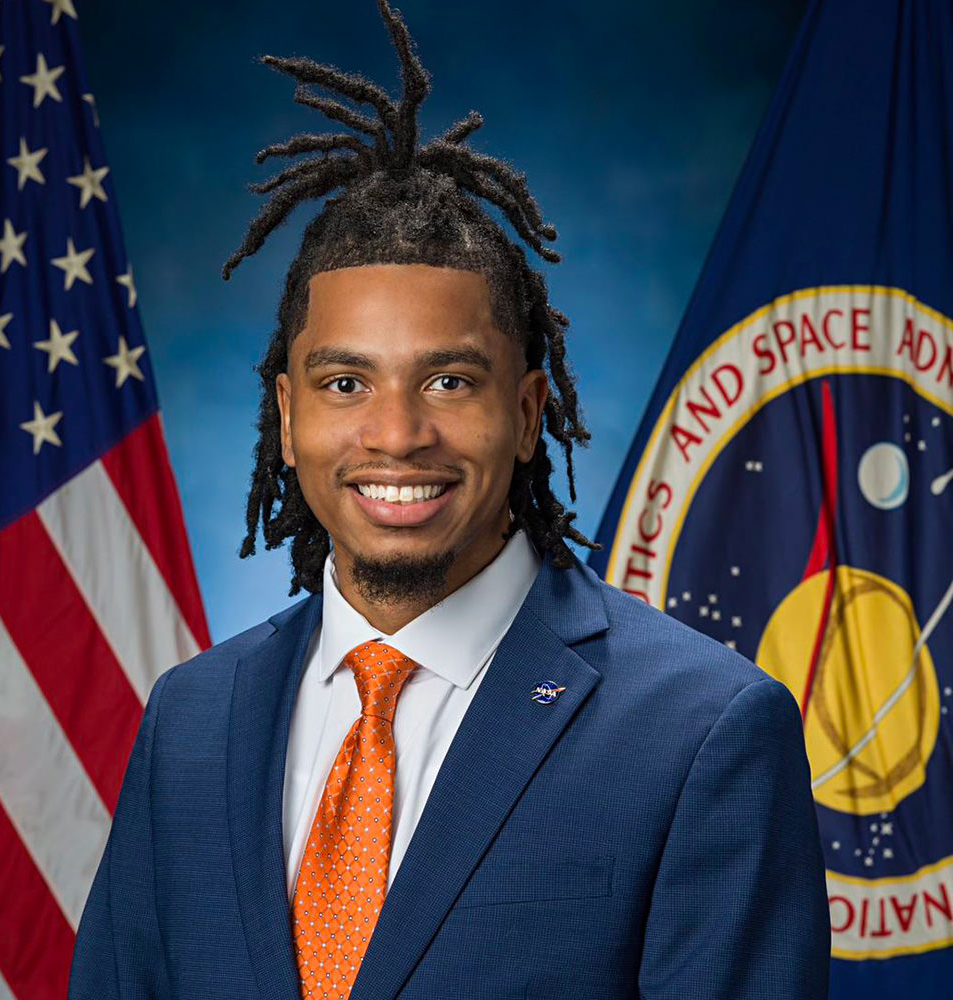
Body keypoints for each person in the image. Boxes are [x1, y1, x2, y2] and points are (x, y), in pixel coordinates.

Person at [68, 2, 830, 998]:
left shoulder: (706, 732)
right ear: (287, 416)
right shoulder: (191, 719)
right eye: (347, 383)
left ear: (524, 412)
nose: (396, 433)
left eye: (448, 381)